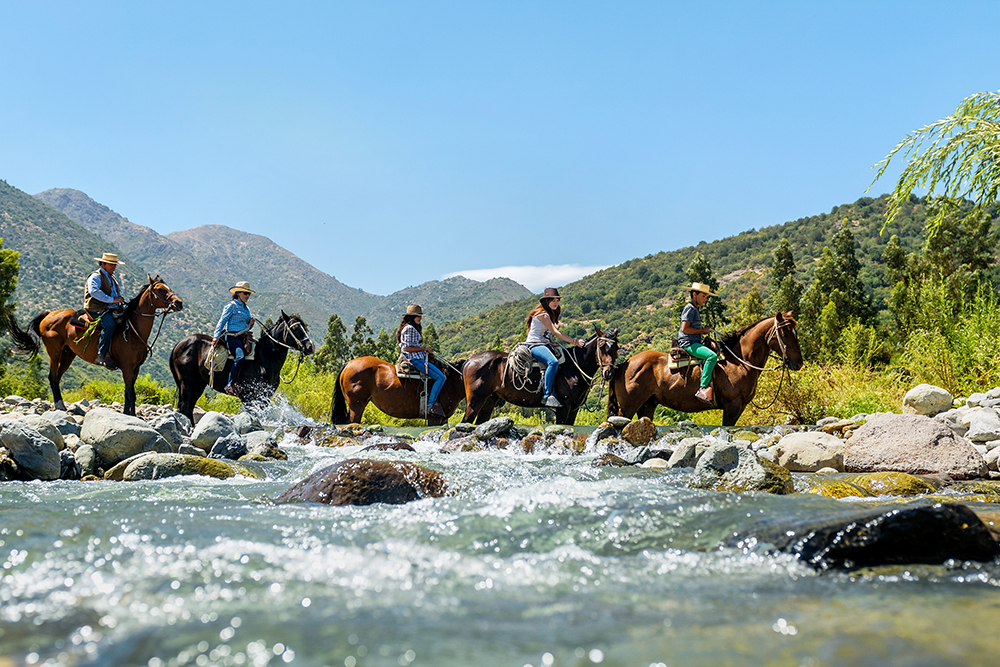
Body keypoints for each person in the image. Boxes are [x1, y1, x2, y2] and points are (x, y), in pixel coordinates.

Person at [524, 288, 584, 408]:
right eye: (552, 300)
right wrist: (575, 341)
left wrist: (550, 342)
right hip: (534, 344)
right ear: (546, 301)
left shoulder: (547, 314)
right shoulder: (544, 315)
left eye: (557, 300)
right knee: (553, 362)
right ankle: (547, 395)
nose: (555, 302)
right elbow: (556, 332)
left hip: (542, 343)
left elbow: (543, 333)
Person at [397, 304, 447, 417]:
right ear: (411, 317)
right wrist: (424, 349)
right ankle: (430, 404)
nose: (420, 318)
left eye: (420, 316)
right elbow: (407, 348)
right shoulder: (409, 328)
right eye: (417, 316)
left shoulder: (412, 328)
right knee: (441, 377)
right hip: (416, 360)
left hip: (419, 357)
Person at [678, 282, 720, 404]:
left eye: (706, 297)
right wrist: (702, 331)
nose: (705, 299)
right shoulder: (690, 308)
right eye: (703, 296)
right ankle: (703, 387)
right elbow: (685, 329)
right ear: (694, 294)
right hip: (688, 343)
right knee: (711, 356)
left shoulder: (694, 308)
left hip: (694, 341)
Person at [213, 281, 256, 396]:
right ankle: (230, 384)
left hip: (244, 337)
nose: (247, 296)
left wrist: (250, 323)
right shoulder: (231, 306)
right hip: (233, 337)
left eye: (249, 294)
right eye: (245, 293)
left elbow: (245, 326)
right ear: (238, 293)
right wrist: (216, 336)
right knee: (240, 356)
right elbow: (222, 321)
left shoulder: (246, 308)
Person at [84, 252, 127, 369]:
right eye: (111, 265)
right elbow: (94, 292)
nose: (113, 267)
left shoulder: (111, 277)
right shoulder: (95, 276)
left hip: (110, 307)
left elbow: (115, 292)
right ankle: (101, 354)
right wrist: (112, 300)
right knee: (109, 325)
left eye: (114, 265)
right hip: (96, 309)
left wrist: (118, 300)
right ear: (103, 264)